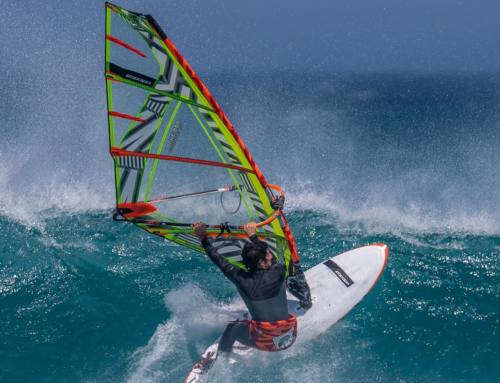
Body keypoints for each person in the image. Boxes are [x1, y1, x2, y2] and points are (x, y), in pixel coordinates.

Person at [192, 221, 311, 357]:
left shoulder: (240, 278)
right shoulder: (278, 271)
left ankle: (222, 358)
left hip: (264, 342)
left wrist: (203, 237)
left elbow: (218, 259)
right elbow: (273, 260)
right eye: (268, 253)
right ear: (265, 260)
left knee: (231, 329)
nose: (270, 255)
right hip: (290, 334)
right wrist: (253, 236)